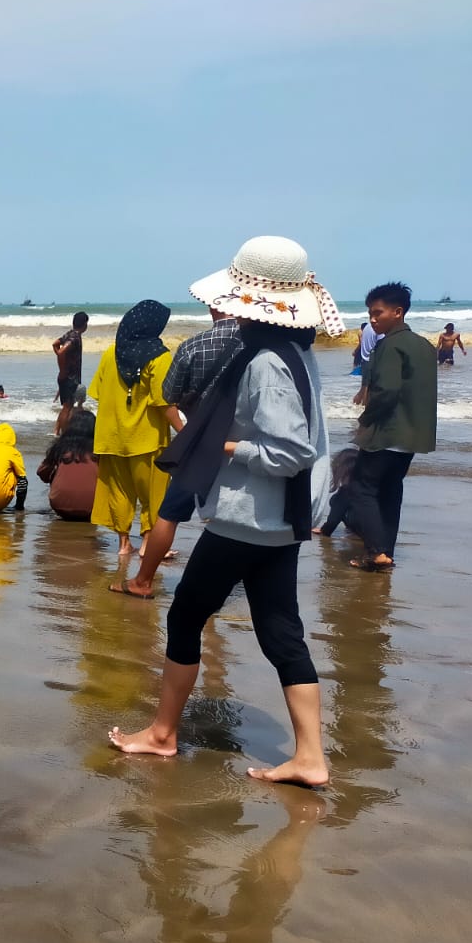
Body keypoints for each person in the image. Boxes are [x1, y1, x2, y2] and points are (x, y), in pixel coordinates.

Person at [111, 235, 342, 787]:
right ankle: (310, 757)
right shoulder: (299, 355)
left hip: (250, 520)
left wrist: (223, 445)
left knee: (185, 615)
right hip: (280, 522)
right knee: (281, 631)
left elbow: (290, 451)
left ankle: (163, 735)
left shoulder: (263, 362)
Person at [111, 309, 243, 598]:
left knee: (169, 514)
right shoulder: (255, 344)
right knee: (225, 517)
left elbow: (168, 394)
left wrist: (189, 423)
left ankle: (143, 581)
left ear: (212, 307)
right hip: (243, 444)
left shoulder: (192, 346)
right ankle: (219, 584)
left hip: (201, 443)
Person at [347, 282, 437, 571]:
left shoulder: (390, 345)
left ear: (398, 312)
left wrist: (365, 419)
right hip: (413, 432)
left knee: (361, 488)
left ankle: (375, 552)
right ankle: (385, 551)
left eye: (378, 313)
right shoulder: (423, 345)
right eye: (370, 314)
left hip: (388, 430)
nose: (373, 319)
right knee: (390, 491)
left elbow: (386, 391)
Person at [87, 300, 175, 559]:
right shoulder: (160, 357)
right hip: (146, 437)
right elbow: (163, 402)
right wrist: (184, 429)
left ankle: (124, 544)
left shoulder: (110, 353)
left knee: (119, 492)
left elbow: (99, 394)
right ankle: (149, 543)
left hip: (112, 437)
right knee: (153, 494)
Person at [36, 409, 98, 521]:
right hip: (92, 508)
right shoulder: (99, 450)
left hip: (60, 506)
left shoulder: (60, 447)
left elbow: (42, 472)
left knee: (56, 470)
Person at [53, 311, 89, 433]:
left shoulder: (69, 334)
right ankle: (64, 434)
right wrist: (63, 370)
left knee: (66, 407)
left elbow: (55, 344)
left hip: (66, 376)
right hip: (70, 377)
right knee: (68, 407)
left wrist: (62, 368)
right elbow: (62, 351)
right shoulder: (75, 337)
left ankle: (57, 431)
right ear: (85, 325)